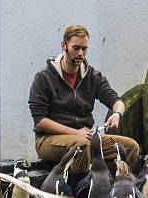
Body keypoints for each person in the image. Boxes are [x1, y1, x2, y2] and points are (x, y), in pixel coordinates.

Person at [28, 24, 139, 174]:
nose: (80, 53)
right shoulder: (44, 77)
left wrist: (117, 114)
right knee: (81, 146)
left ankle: (116, 188)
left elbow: (116, 100)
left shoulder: (92, 76)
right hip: (48, 140)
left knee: (130, 147)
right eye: (76, 48)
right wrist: (75, 132)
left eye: (84, 49)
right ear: (64, 46)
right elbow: (40, 121)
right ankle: (80, 192)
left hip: (85, 137)